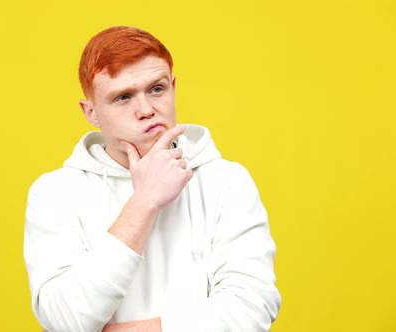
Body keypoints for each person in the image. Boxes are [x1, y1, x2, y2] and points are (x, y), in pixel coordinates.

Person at [24, 26, 281, 332]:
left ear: (173, 86)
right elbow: (64, 320)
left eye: (156, 89)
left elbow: (251, 311)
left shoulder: (227, 181)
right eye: (123, 97)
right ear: (90, 112)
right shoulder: (54, 193)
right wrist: (144, 200)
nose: (146, 110)